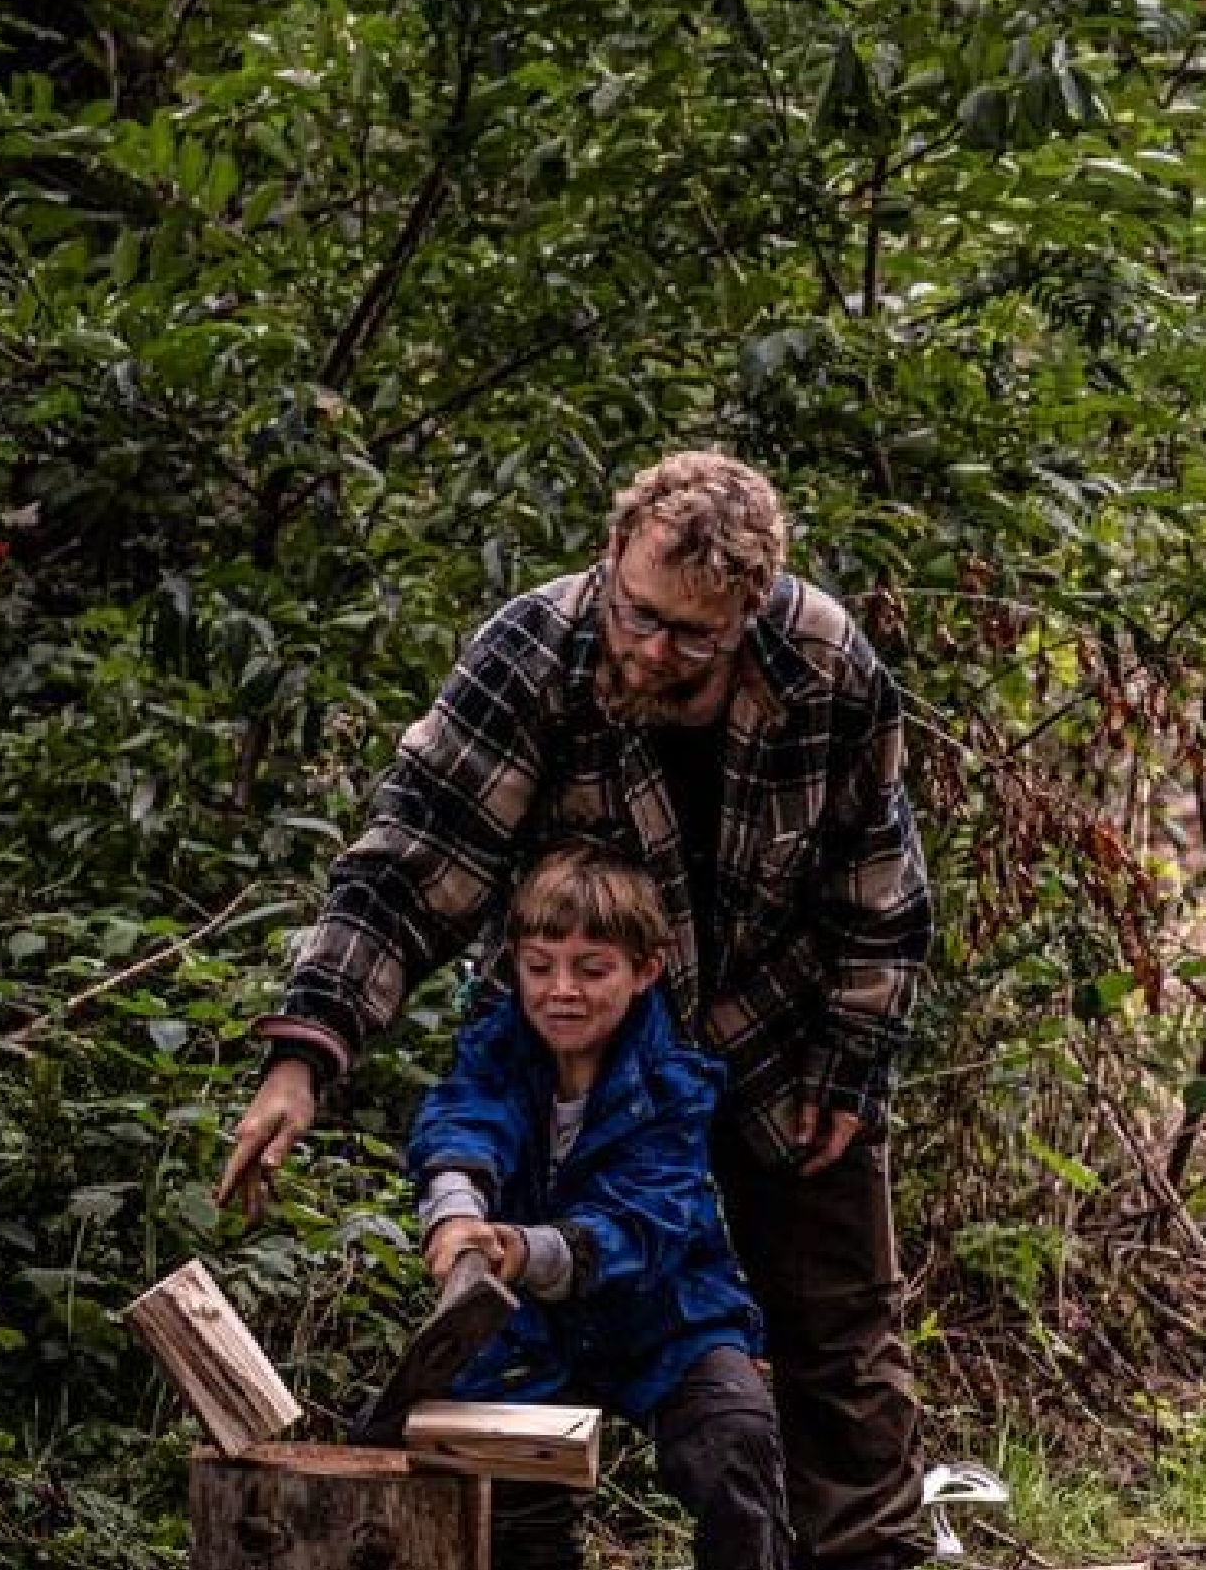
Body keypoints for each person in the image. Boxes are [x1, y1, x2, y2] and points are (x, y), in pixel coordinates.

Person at [218, 451, 938, 1570]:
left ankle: (864, 1560)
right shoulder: (532, 654)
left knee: (838, 1342)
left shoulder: (829, 665)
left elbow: (881, 886)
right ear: (611, 560)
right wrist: (305, 1055)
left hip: (785, 1042)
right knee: (525, 1333)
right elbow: (412, 866)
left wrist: (855, 1063)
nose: (653, 651)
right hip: (580, 1060)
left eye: (694, 637)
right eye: (639, 615)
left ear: (751, 610)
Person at [411, 845, 785, 1570]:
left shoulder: (675, 1084)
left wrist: (521, 1251)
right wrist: (456, 1215)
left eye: (592, 969)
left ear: (644, 970)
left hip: (667, 1315)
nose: (562, 991)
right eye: (540, 966)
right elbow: (460, 1125)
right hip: (528, 1326)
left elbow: (641, 1226)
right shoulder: (494, 1053)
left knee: (736, 1442)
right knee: (505, 1496)